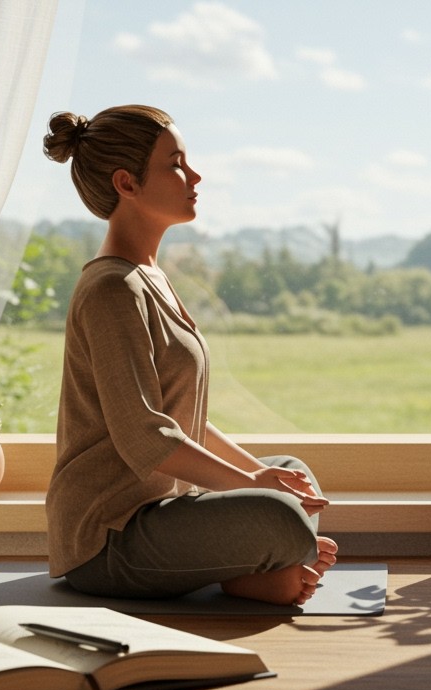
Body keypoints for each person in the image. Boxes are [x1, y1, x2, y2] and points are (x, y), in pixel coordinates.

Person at [41, 104, 337, 606]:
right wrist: (253, 485)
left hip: (168, 506)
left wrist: (262, 477)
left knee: (292, 472)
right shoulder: (112, 289)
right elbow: (145, 436)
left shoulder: (148, 277)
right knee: (280, 514)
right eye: (175, 163)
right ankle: (265, 569)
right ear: (126, 183)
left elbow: (179, 416)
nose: (194, 175)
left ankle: (267, 569)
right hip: (110, 538)